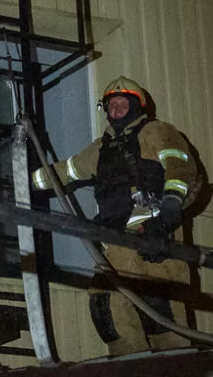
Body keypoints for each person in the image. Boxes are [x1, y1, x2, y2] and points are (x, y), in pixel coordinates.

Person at [34, 76, 201, 355]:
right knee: (105, 305)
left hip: (154, 236)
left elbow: (180, 169)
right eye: (112, 104)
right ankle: (128, 365)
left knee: (159, 307)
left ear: (138, 106)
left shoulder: (158, 132)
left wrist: (168, 214)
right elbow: (65, 171)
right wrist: (19, 179)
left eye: (124, 103)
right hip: (116, 241)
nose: (117, 109)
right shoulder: (100, 149)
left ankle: (176, 368)